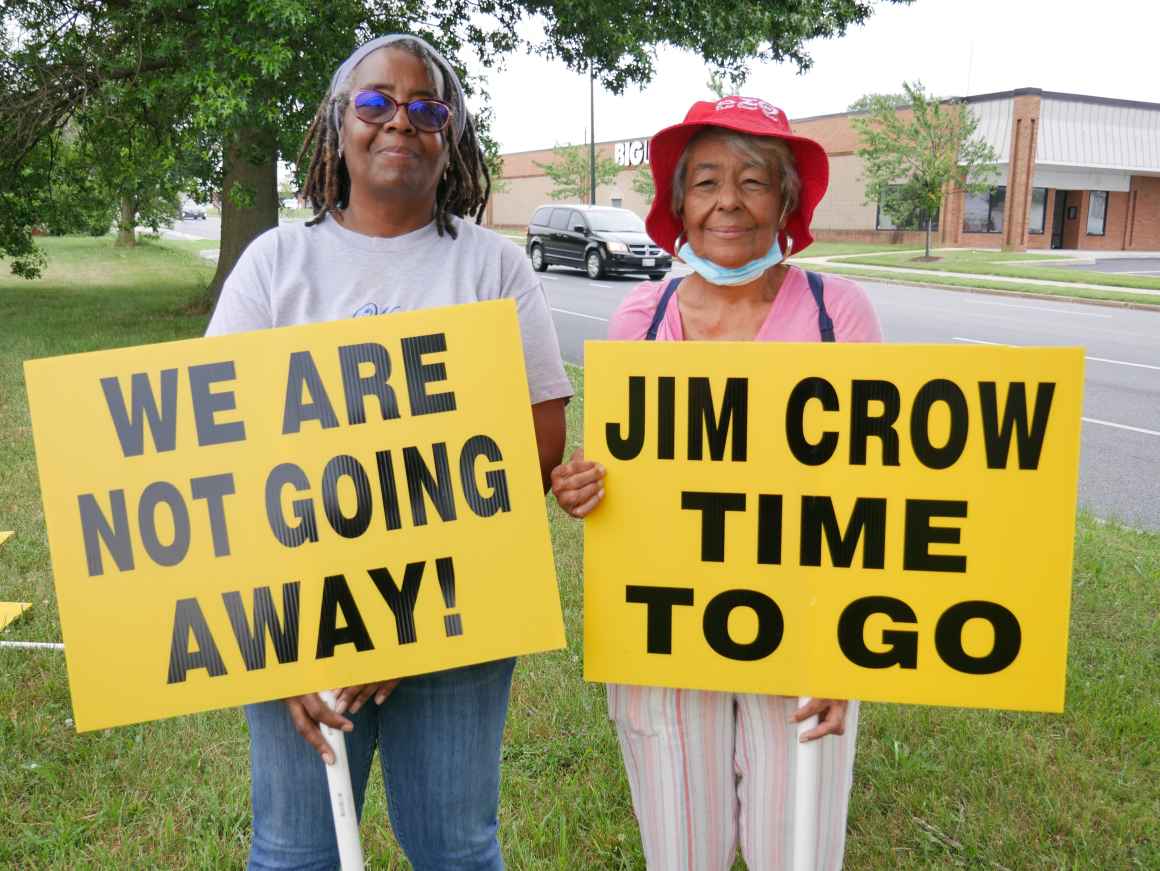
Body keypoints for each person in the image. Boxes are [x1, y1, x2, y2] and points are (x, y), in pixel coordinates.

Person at [206, 34, 572, 871]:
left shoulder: (495, 268)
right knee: (294, 850)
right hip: (298, 617)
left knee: (457, 848)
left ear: (453, 137)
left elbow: (536, 445)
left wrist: (409, 621)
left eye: (426, 108)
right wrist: (286, 645)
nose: (399, 121)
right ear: (338, 126)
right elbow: (217, 455)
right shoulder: (275, 264)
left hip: (456, 613)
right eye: (374, 103)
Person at [550, 97, 882, 870]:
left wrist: (847, 651)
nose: (728, 200)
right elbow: (620, 474)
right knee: (682, 853)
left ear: (787, 201)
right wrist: (584, 487)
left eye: (754, 180)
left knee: (793, 852)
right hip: (664, 636)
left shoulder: (841, 316)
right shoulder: (641, 314)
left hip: (805, 632)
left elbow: (878, 490)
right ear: (679, 204)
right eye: (705, 181)